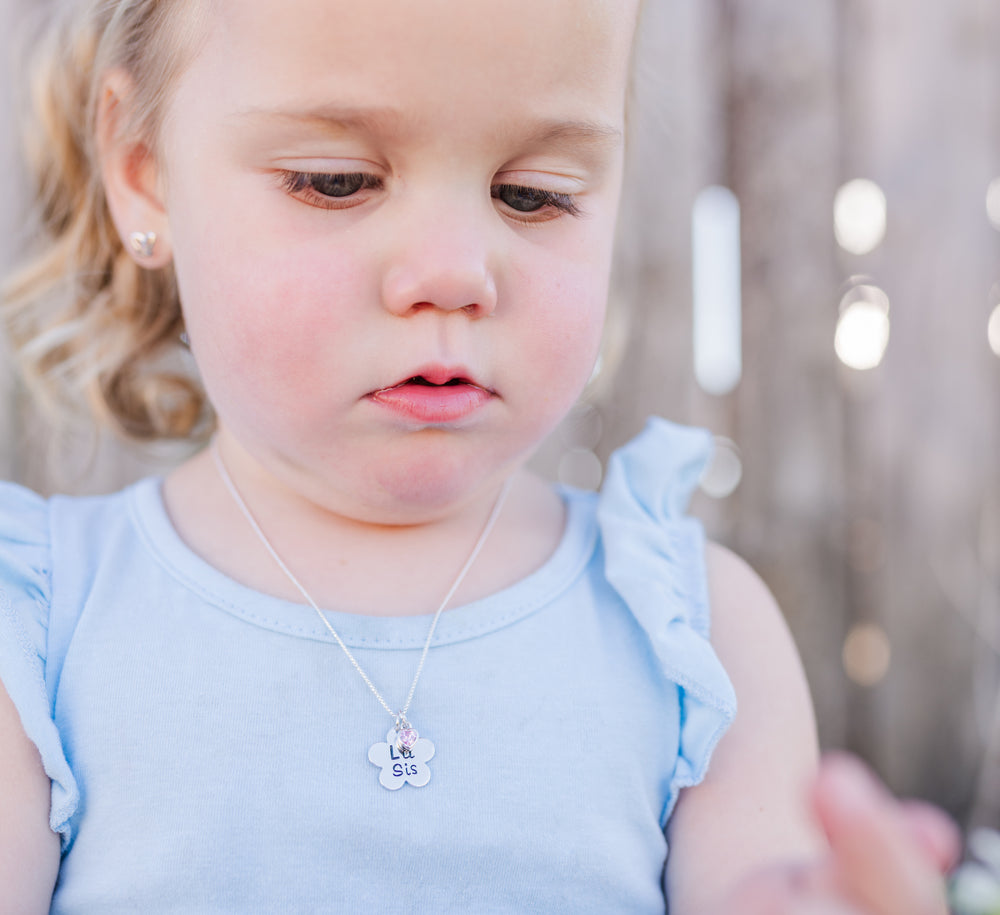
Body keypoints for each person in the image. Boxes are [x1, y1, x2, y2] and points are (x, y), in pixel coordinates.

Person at [0, 0, 958, 911]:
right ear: (143, 168)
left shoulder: (697, 643)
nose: (455, 270)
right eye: (336, 179)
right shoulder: (40, 636)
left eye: (532, 195)